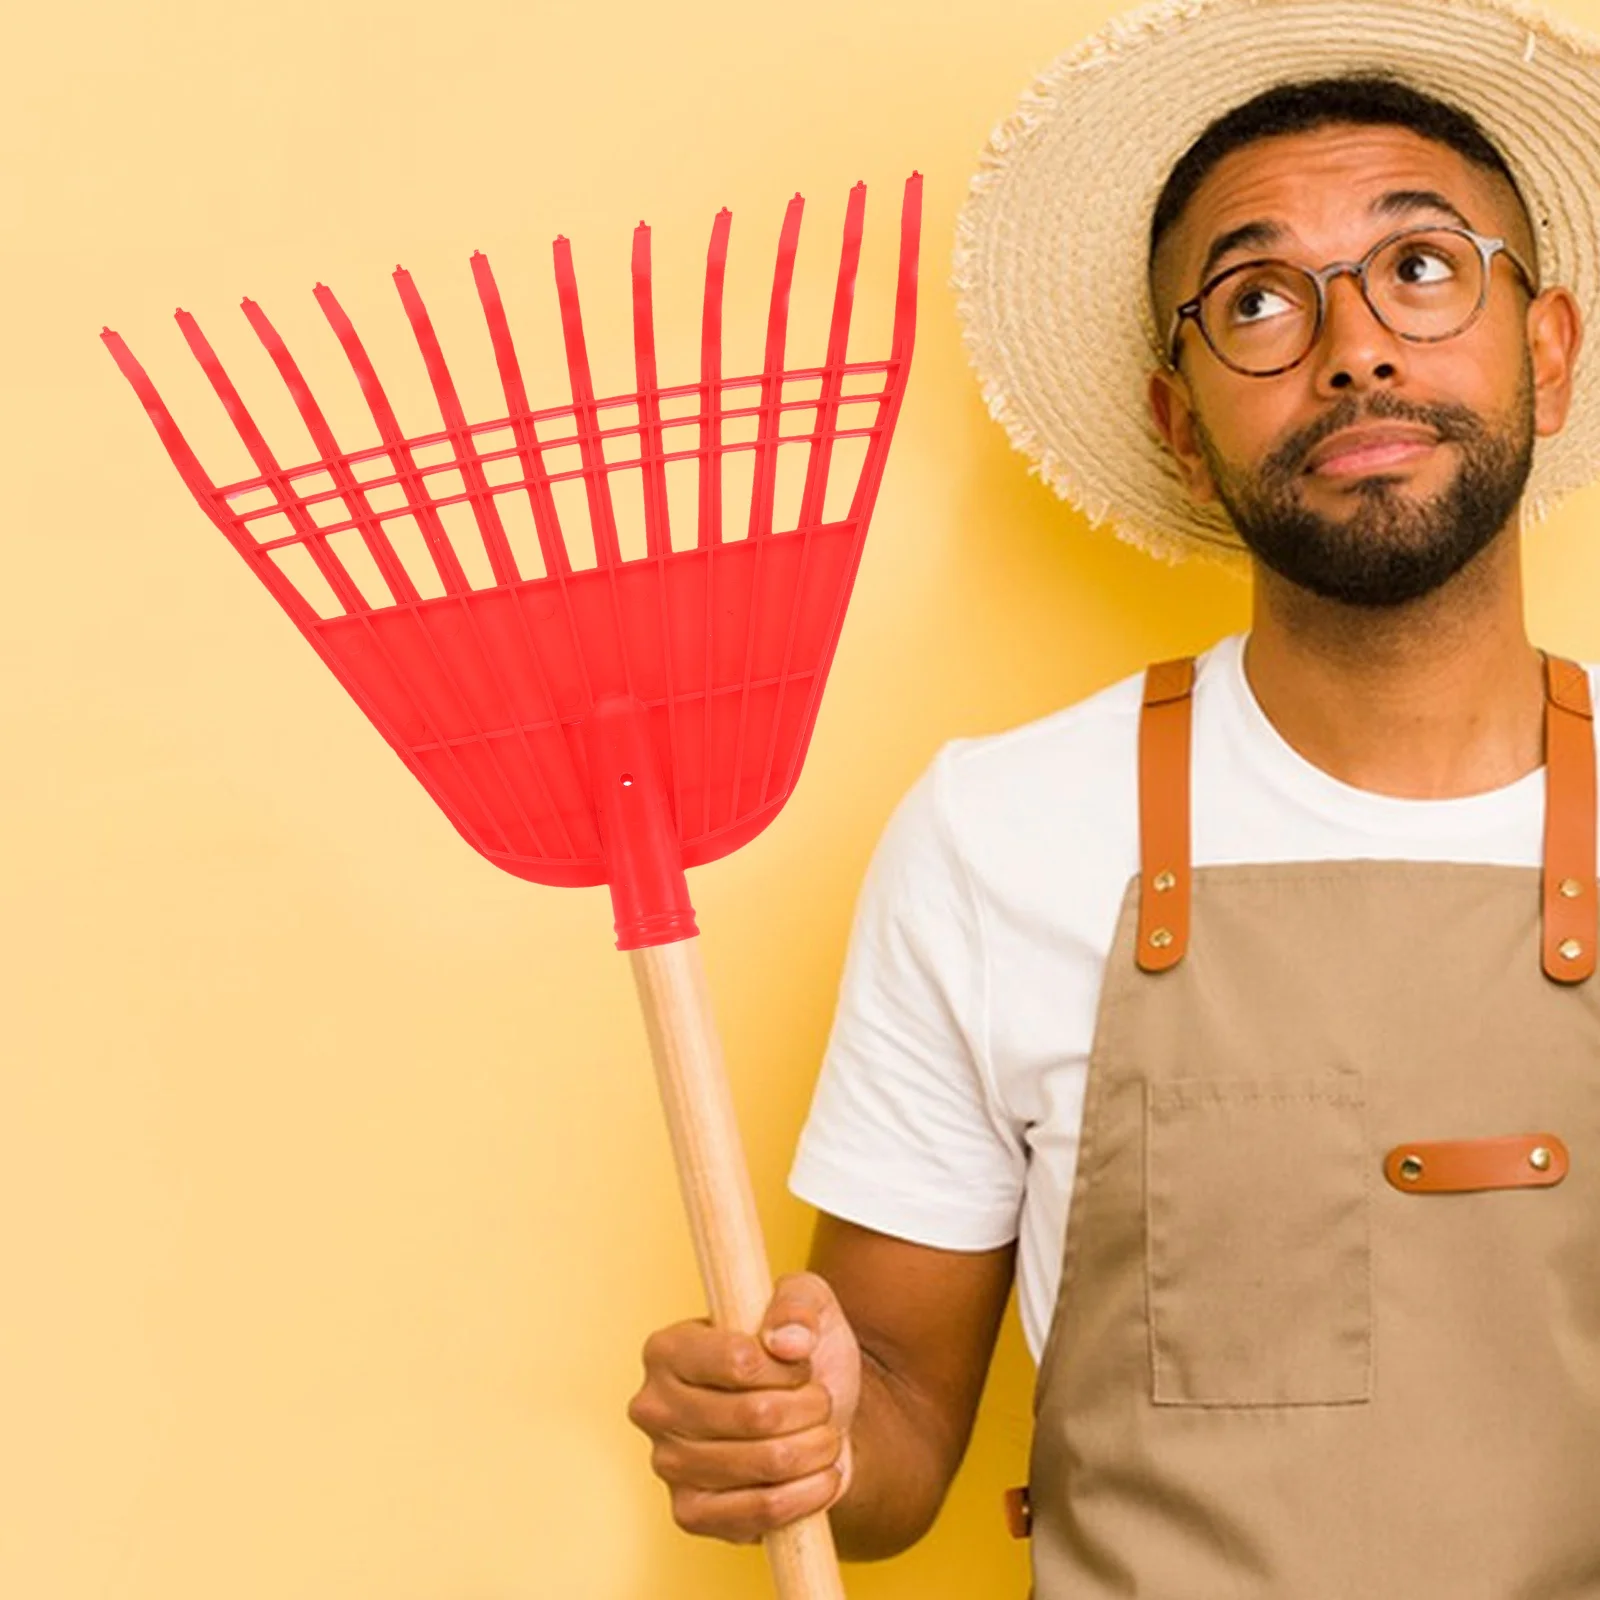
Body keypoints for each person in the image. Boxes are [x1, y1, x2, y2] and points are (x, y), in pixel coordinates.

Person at [626, 0, 1600, 1590]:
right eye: (1258, 299)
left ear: (1547, 354)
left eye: (1422, 269)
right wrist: (809, 1432)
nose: (1354, 347)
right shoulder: (1000, 838)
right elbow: (894, 1436)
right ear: (1180, 425)